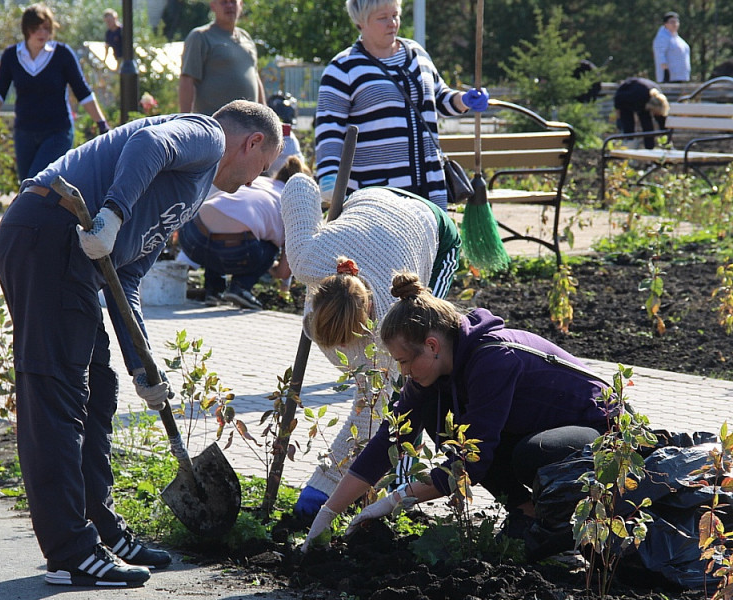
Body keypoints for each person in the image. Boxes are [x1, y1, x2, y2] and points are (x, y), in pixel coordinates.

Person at [0, 100, 282, 588]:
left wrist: (143, 365)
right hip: (48, 226)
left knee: (101, 388)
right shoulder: (206, 136)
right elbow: (148, 143)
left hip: (73, 255)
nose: (257, 178)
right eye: (264, 165)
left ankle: (101, 529)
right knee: (58, 394)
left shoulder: (192, 193)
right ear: (252, 142)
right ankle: (70, 552)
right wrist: (112, 214)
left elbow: (125, 278)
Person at [302, 271, 613, 552]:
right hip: (537, 427)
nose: (404, 371)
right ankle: (528, 513)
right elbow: (390, 439)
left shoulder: (493, 359)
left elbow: (470, 463)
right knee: (448, 427)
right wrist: (329, 512)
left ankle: (571, 527)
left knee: (530, 453)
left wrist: (392, 501)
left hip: (601, 432)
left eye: (406, 362)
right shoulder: (433, 375)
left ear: (433, 345)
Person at [281, 174, 461, 521]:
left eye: (350, 343)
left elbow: (370, 413)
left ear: (366, 327)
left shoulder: (389, 333)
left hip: (427, 224)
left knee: (417, 380)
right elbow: (299, 182)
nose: (344, 353)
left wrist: (325, 484)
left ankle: (402, 486)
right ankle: (371, 485)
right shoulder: (307, 262)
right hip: (372, 198)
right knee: (393, 387)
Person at [314, 0, 489, 211]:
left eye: (395, 15)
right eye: (382, 18)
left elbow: (440, 98)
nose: (392, 23)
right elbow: (329, 129)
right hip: (378, 196)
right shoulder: (342, 69)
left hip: (430, 188)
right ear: (360, 21)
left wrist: (464, 100)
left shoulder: (417, 54)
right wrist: (330, 178)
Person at [0, 3, 109, 181]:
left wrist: (102, 123)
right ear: (26, 30)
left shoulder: (62, 54)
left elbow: (82, 91)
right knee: (26, 187)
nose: (41, 33)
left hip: (57, 131)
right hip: (25, 132)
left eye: (46, 28)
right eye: (35, 28)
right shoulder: (12, 56)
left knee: (37, 183)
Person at [177, 155, 308, 309]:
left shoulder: (257, 181)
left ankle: (213, 290)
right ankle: (240, 287)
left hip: (191, 235)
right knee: (269, 246)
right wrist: (269, 265)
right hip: (234, 248)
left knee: (220, 237)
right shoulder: (293, 203)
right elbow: (284, 272)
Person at [178, 0, 265, 115]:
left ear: (241, 5)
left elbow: (255, 77)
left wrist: (265, 117)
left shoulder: (246, 37)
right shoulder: (201, 37)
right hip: (214, 125)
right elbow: (187, 79)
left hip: (248, 126)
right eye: (224, 2)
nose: (229, 6)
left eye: (233, 2)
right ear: (213, 6)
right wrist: (184, 120)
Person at [614, 77, 670, 149]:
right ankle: (629, 146)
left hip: (642, 95)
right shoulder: (637, 97)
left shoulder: (658, 96)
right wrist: (618, 112)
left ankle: (651, 149)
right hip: (625, 97)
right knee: (629, 127)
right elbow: (618, 99)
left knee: (650, 126)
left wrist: (666, 137)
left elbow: (662, 122)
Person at [653, 11, 690, 83]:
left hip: (680, 76)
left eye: (676, 22)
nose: (675, 24)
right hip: (669, 77)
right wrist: (665, 71)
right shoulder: (662, 37)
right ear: (665, 24)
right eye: (672, 22)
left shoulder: (677, 38)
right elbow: (660, 54)